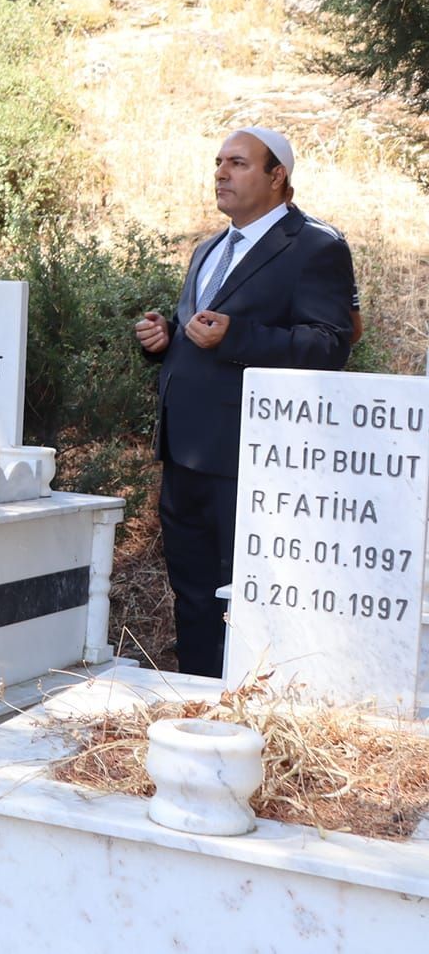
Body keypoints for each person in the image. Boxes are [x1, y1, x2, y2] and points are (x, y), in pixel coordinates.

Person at [133, 127, 355, 677]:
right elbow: (204, 331)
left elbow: (330, 344)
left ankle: (246, 710)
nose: (221, 173)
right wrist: (167, 340)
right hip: (184, 453)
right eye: (218, 162)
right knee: (193, 593)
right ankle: (195, 699)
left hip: (251, 462)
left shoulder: (316, 246)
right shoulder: (210, 247)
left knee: (247, 598)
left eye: (237, 163)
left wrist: (236, 337)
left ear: (277, 175)